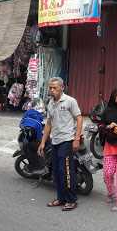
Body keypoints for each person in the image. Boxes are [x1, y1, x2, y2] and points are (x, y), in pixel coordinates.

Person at [38, 77, 83, 212]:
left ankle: (71, 200)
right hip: (55, 141)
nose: (52, 90)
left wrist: (76, 139)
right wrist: (43, 142)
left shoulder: (70, 101)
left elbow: (79, 118)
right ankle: (61, 198)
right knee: (56, 172)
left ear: (62, 88)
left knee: (67, 171)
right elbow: (49, 123)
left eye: (54, 88)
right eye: (50, 88)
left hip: (67, 140)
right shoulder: (50, 103)